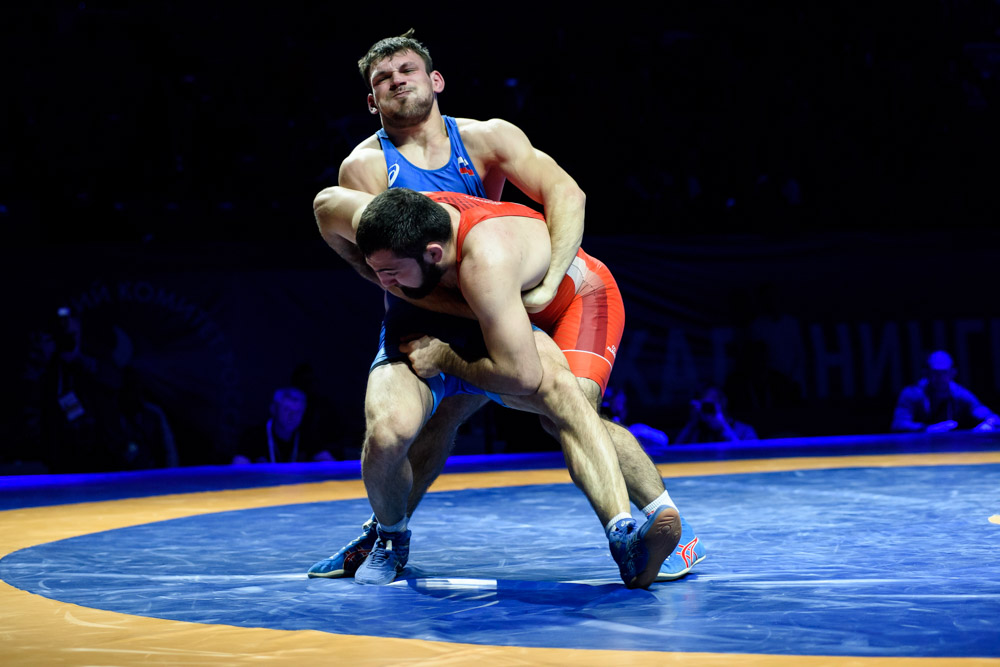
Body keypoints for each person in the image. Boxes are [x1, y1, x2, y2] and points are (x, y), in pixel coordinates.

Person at [308, 31, 705, 585]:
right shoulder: (366, 170)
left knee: (565, 405)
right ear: (371, 101)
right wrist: (456, 320)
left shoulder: (487, 139)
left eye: (407, 70)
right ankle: (387, 533)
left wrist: (546, 286)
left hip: (518, 295)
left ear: (435, 80)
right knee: (420, 421)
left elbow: (566, 193)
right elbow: (386, 265)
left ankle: (661, 533)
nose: (397, 81)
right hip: (460, 303)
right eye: (382, 79)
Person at [312, 186, 686, 589]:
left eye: (390, 272)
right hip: (486, 313)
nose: (383, 282)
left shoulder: (485, 258)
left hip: (566, 301)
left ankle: (635, 532)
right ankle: (389, 536)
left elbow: (521, 375)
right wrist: (364, 266)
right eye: (378, 269)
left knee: (567, 405)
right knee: (405, 427)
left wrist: (443, 358)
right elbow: (325, 205)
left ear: (434, 253)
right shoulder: (386, 221)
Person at [891, 350, 1000, 433]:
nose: (940, 377)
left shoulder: (959, 394)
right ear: (926, 373)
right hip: (917, 448)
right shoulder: (912, 394)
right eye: (935, 372)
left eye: (944, 372)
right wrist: (927, 429)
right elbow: (898, 424)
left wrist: (989, 423)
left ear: (953, 373)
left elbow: (985, 413)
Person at [232, 387, 336, 464]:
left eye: (298, 412)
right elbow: (238, 469)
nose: (292, 416)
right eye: (287, 410)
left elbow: (331, 465)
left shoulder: (307, 436)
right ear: (274, 409)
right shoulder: (253, 436)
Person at [674, 384, 758, 444]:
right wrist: (691, 424)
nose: (707, 409)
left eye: (710, 405)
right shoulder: (696, 432)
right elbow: (674, 455)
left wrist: (723, 427)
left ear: (723, 402)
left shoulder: (745, 430)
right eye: (704, 405)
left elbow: (749, 457)